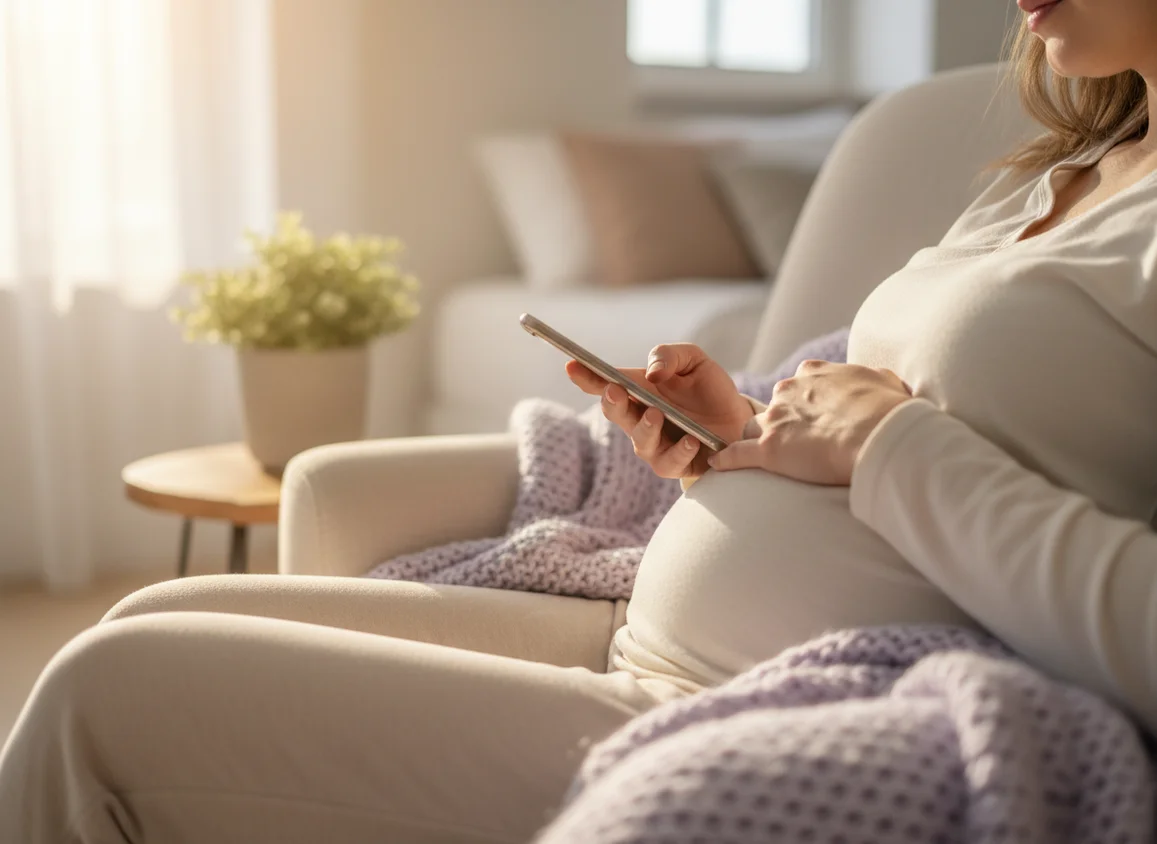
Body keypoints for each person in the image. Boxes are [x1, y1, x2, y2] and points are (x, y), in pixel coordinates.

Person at [4, 0, 1157, 840]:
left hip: (776, 689)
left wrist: (885, 445)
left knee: (107, 695)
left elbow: (916, 451)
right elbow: (919, 420)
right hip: (653, 642)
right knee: (159, 611)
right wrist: (745, 431)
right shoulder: (1060, 173)